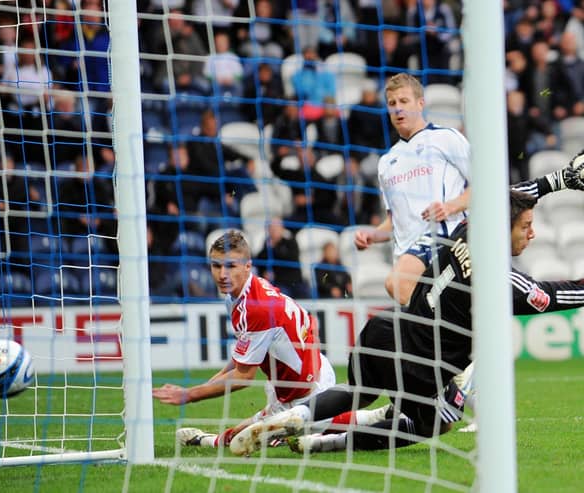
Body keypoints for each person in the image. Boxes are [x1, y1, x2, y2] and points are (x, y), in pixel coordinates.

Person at [229, 154, 584, 456]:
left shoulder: (467, 228)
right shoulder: (500, 281)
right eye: (525, 226)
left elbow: (506, 199)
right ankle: (328, 444)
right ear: (504, 227)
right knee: (433, 424)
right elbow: (554, 293)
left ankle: (297, 418)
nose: (532, 234)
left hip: (386, 329)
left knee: (355, 393)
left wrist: (557, 180)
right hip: (422, 364)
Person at [152, 230, 336, 448]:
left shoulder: (256, 308)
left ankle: (335, 428)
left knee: (245, 442)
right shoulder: (240, 294)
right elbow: (242, 356)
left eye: (231, 266)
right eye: (216, 265)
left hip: (310, 394)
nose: (222, 274)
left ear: (247, 266)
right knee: (241, 434)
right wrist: (210, 383)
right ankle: (209, 440)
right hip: (294, 382)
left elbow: (244, 376)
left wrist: (189, 395)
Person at [354, 73, 470, 305]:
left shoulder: (446, 138)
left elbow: (486, 188)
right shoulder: (386, 162)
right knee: (421, 320)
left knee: (397, 283)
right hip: (409, 253)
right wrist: (372, 235)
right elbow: (393, 221)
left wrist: (449, 207)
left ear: (420, 103)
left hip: (446, 238)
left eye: (404, 101)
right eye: (392, 104)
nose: (398, 109)